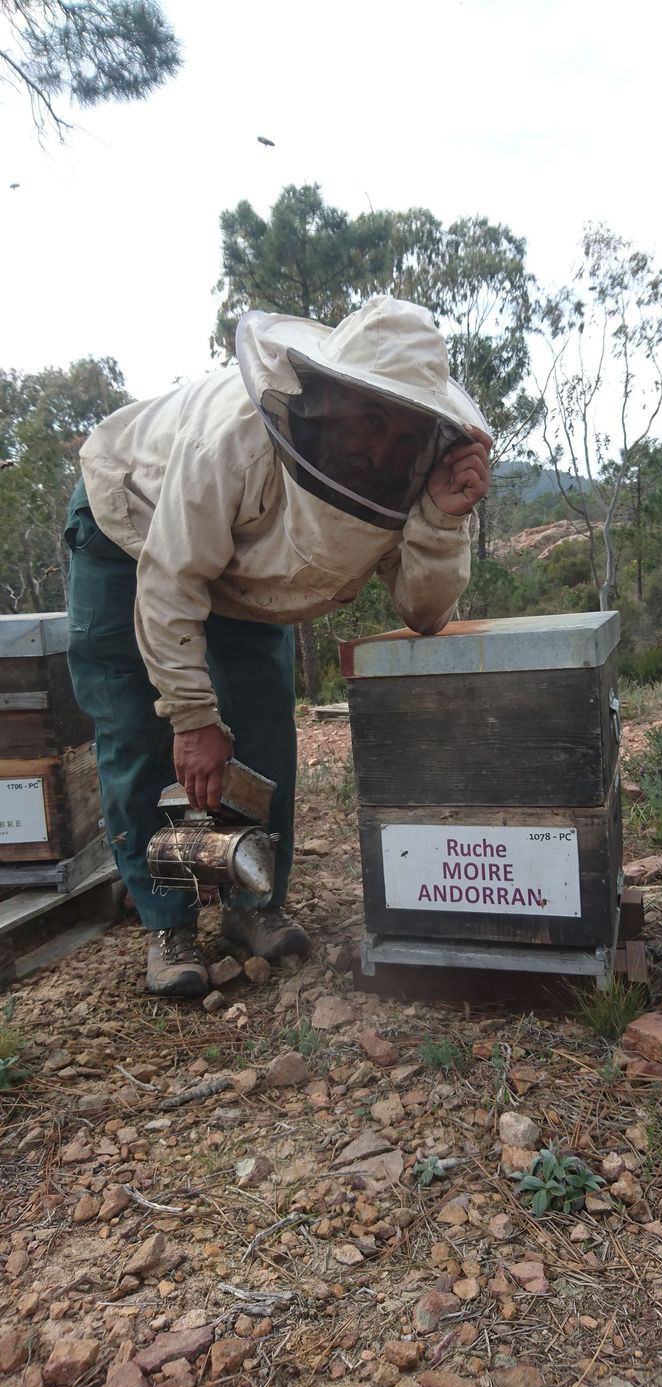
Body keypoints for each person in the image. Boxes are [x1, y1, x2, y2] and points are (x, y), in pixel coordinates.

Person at [65, 295, 492, 998]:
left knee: (263, 729)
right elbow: (171, 581)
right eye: (373, 420)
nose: (383, 450)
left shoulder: (419, 474)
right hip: (134, 527)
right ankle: (168, 924)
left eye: (406, 431)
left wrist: (444, 522)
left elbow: (424, 611)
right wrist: (192, 717)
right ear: (330, 396)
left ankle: (253, 903)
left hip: (246, 574)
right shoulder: (228, 442)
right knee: (141, 728)